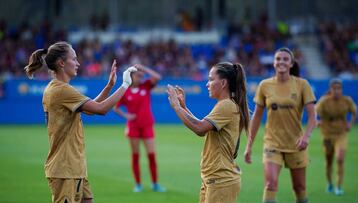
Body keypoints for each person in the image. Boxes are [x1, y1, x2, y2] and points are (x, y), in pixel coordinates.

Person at [24, 41, 137, 203]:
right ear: (62, 63)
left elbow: (91, 109)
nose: (78, 63)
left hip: (75, 168)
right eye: (74, 59)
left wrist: (109, 86)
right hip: (65, 170)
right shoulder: (61, 90)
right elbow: (101, 109)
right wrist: (125, 85)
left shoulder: (58, 88)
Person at [167, 62, 250, 203]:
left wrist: (176, 107)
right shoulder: (224, 104)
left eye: (211, 79)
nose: (207, 84)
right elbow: (202, 128)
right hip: (213, 179)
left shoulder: (226, 105)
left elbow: (199, 128)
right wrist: (183, 107)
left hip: (221, 180)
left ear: (223, 83)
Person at [244, 47, 316, 203]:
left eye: (285, 59)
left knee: (299, 188)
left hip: (297, 144)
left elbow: (312, 116)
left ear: (291, 64)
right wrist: (248, 145)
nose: (281, 62)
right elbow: (256, 117)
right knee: (270, 184)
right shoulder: (264, 85)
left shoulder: (302, 85)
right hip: (272, 143)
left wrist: (306, 137)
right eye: (278, 59)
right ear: (273, 63)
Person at [113, 65, 165, 192]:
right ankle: (138, 184)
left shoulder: (146, 86)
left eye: (142, 76)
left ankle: (155, 183)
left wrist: (143, 68)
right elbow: (116, 107)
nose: (141, 78)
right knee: (136, 156)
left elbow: (158, 77)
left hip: (147, 125)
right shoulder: (125, 91)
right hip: (133, 127)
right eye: (138, 75)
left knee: (151, 156)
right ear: (131, 76)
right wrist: (126, 115)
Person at [315, 78, 358, 195]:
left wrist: (350, 123)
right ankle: (329, 183)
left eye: (339, 88)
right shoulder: (324, 101)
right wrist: (317, 121)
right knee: (329, 161)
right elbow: (314, 112)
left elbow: (355, 112)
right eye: (334, 88)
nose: (337, 91)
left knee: (340, 158)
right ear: (330, 90)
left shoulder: (347, 101)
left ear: (342, 90)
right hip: (327, 134)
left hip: (341, 133)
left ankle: (339, 186)